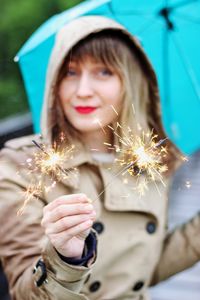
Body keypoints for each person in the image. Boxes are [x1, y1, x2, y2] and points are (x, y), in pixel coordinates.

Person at [0, 16, 199, 300]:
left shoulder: (147, 160)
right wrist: (66, 259)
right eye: (70, 72)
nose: (83, 91)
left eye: (103, 72)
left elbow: (140, 270)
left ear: (129, 81)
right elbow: (23, 292)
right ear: (54, 82)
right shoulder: (23, 166)